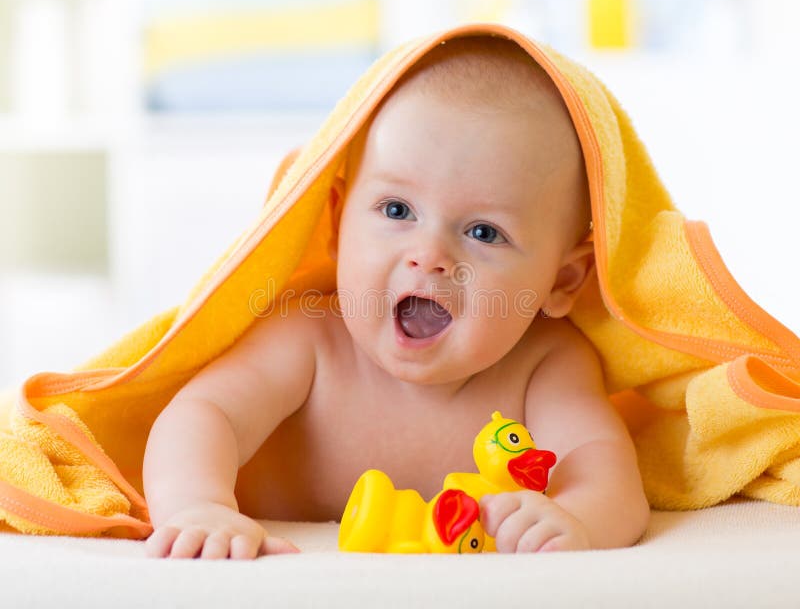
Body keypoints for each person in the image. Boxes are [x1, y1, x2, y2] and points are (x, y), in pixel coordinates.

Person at [143, 36, 650, 559]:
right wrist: (198, 506)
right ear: (339, 222)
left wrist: (578, 522)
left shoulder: (546, 363)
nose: (429, 255)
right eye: (396, 210)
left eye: (482, 232)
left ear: (562, 281)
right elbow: (203, 414)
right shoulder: (311, 337)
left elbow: (604, 470)